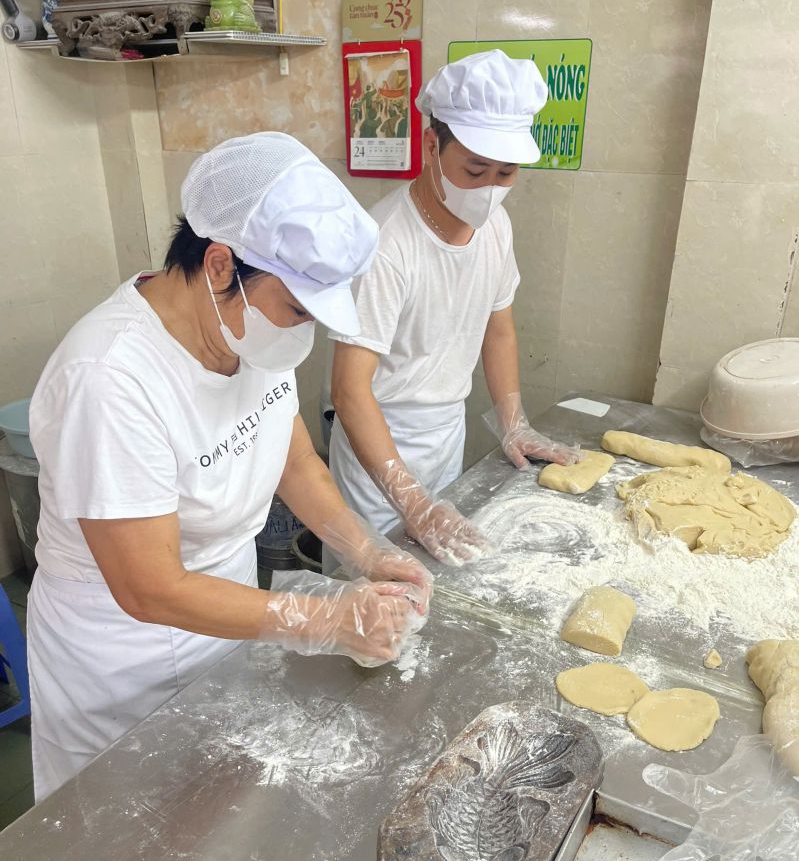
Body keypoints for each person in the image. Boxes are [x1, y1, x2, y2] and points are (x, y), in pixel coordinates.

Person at [27, 132, 431, 802]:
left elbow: (295, 461)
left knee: (213, 820)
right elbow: (150, 588)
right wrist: (324, 621)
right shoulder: (108, 379)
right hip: (123, 661)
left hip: (234, 617)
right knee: (126, 835)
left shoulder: (247, 331)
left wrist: (366, 551)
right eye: (296, 309)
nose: (302, 334)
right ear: (220, 266)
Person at [329, 50, 579, 567]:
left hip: (447, 435)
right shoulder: (386, 244)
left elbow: (498, 329)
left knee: (442, 584)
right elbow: (350, 389)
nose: (489, 189)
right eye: (475, 168)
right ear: (431, 146)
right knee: (377, 591)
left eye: (506, 173)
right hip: (380, 454)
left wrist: (513, 423)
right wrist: (411, 500)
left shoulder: (496, 228)